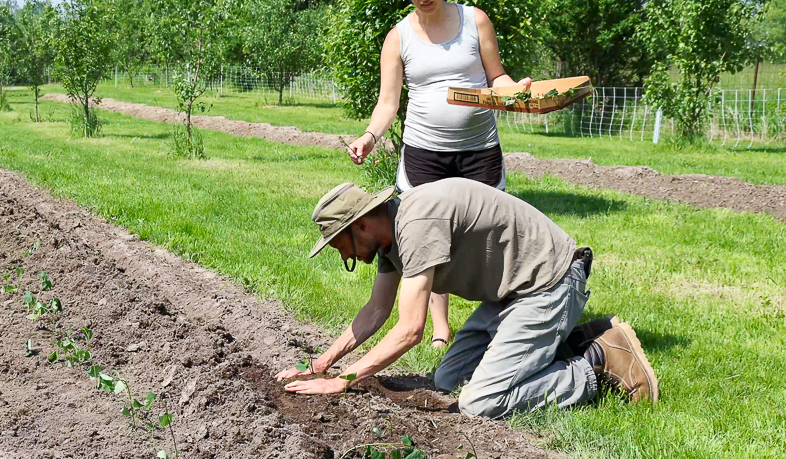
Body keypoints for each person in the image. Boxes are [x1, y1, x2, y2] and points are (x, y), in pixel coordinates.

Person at [274, 179, 659, 418]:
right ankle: (571, 342)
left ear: (360, 224)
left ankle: (598, 362)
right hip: (511, 295)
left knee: (481, 403)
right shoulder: (391, 236)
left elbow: (410, 330)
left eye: (341, 246)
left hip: (550, 283)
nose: (345, 257)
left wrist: (343, 381)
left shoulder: (417, 224)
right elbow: (377, 310)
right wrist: (320, 365)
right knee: (448, 378)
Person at [345, 0, 530, 351]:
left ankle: (497, 324)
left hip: (479, 152)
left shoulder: (475, 20)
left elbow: (496, 76)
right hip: (423, 154)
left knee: (490, 240)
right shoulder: (397, 38)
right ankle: (441, 328)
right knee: (429, 239)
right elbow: (388, 102)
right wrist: (370, 136)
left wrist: (512, 90)